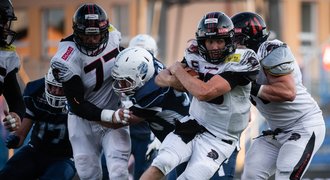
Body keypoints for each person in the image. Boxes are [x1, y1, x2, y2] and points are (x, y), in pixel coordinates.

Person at [140, 11, 260, 180]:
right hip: (193, 123)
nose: (215, 47)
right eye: (210, 41)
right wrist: (185, 81)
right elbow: (160, 78)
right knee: (161, 163)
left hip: (220, 137)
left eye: (220, 40)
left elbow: (204, 93)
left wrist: (178, 70)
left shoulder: (242, 59)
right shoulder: (194, 52)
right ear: (202, 42)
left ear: (230, 40)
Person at [231, 12, 326, 179]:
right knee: (251, 174)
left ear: (250, 38)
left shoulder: (270, 51)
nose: (232, 45)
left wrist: (250, 86)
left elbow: (288, 92)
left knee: (286, 172)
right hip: (276, 131)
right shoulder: (237, 61)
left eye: (236, 40)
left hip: (303, 126)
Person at [50, 3, 131, 180]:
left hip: (113, 107)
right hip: (83, 121)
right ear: (76, 33)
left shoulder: (114, 36)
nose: (93, 41)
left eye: (97, 36)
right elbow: (76, 104)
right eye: (87, 37)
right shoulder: (66, 57)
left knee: (119, 171)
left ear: (105, 30)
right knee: (88, 173)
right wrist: (109, 116)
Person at [110, 46, 191, 179]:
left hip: (186, 142)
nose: (121, 86)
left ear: (141, 75)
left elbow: (118, 123)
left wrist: (90, 113)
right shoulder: (151, 66)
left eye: (125, 81)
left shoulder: (153, 95)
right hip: (178, 140)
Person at [0, 68, 76, 180]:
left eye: (61, 88)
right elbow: (21, 135)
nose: (56, 91)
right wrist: (14, 140)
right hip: (35, 151)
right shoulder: (35, 91)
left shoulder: (79, 98)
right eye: (52, 86)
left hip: (65, 157)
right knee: (7, 174)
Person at [0, 0, 25, 134]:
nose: (5, 27)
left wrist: (16, 115)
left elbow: (16, 100)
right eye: (3, 21)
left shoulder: (5, 56)